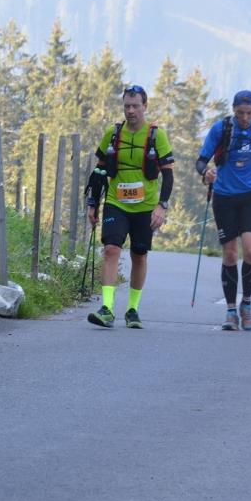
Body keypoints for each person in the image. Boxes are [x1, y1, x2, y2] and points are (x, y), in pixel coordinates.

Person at [85, 84, 175, 329]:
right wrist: (93, 203)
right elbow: (100, 170)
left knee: (139, 254)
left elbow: (168, 175)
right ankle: (107, 308)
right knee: (111, 249)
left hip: (145, 206)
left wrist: (161, 206)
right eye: (127, 106)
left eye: (136, 106)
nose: (131, 111)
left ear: (145, 106)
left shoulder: (156, 135)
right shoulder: (113, 133)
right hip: (116, 201)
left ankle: (133, 310)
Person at [195, 90, 251, 331]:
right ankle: (231, 311)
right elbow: (201, 160)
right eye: (240, 113)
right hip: (224, 197)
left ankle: (247, 303)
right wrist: (206, 173)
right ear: (233, 110)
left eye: (249, 113)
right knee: (231, 254)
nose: (245, 118)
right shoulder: (221, 129)